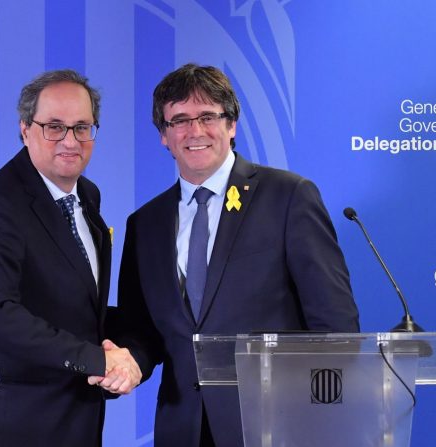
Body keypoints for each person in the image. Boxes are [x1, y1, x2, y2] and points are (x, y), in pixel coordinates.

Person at [106, 63, 360, 447]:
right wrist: (128, 363)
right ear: (163, 135)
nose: (195, 131)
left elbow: (335, 326)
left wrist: (319, 418)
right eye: (180, 120)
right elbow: (142, 330)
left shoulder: (288, 197)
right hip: (184, 431)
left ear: (232, 125)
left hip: (280, 427)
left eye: (208, 116)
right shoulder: (145, 223)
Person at [0, 69, 140, 447]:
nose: (70, 140)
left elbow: (79, 310)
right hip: (12, 426)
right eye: (54, 126)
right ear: (25, 129)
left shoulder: (88, 196)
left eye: (82, 127)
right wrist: (96, 360)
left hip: (77, 421)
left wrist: (134, 350)